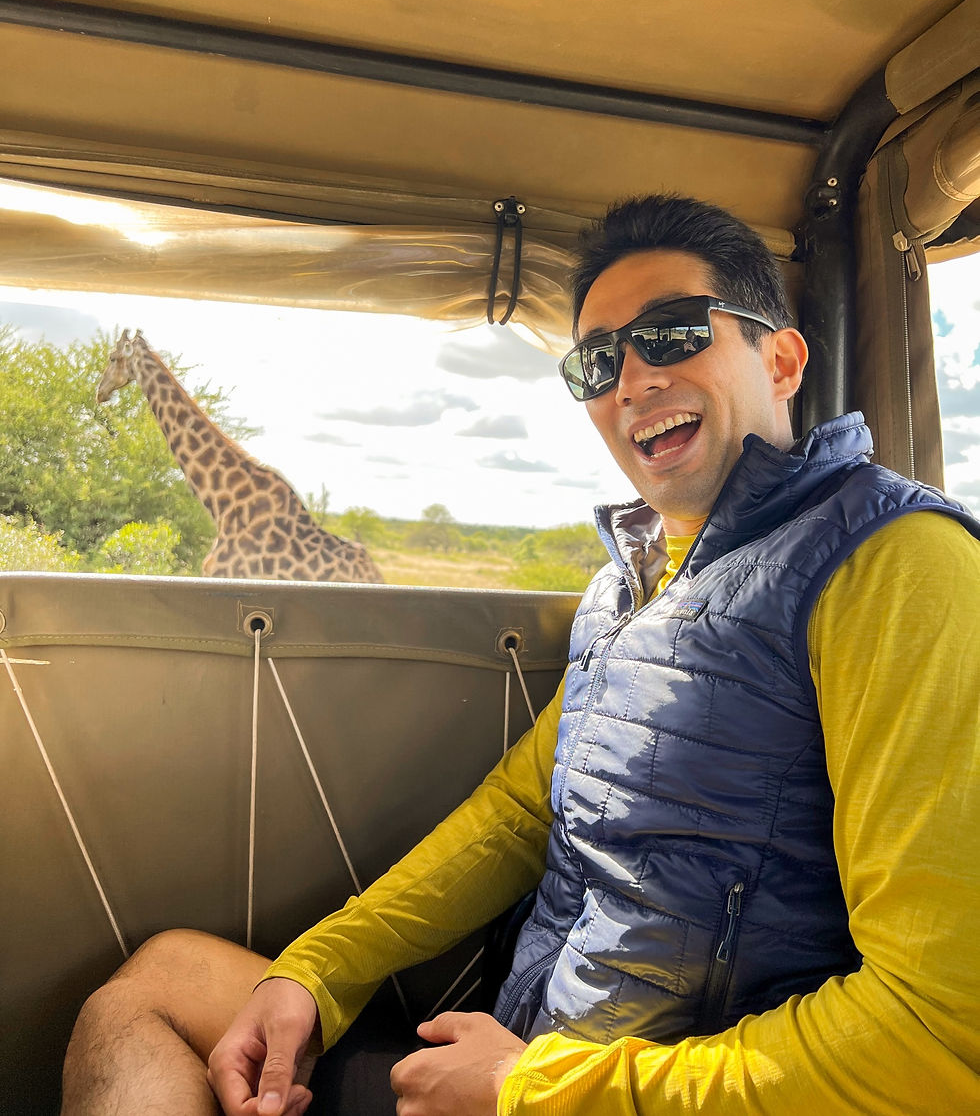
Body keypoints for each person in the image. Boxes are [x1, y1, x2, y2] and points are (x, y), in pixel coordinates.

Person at [61, 195, 980, 1116]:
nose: (631, 379)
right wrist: (317, 972)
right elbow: (512, 816)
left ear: (780, 359)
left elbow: (938, 1031)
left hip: (612, 1087)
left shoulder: (894, 564)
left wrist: (533, 1088)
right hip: (528, 1054)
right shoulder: (626, 586)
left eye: (669, 333)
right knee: (161, 977)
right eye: (597, 360)